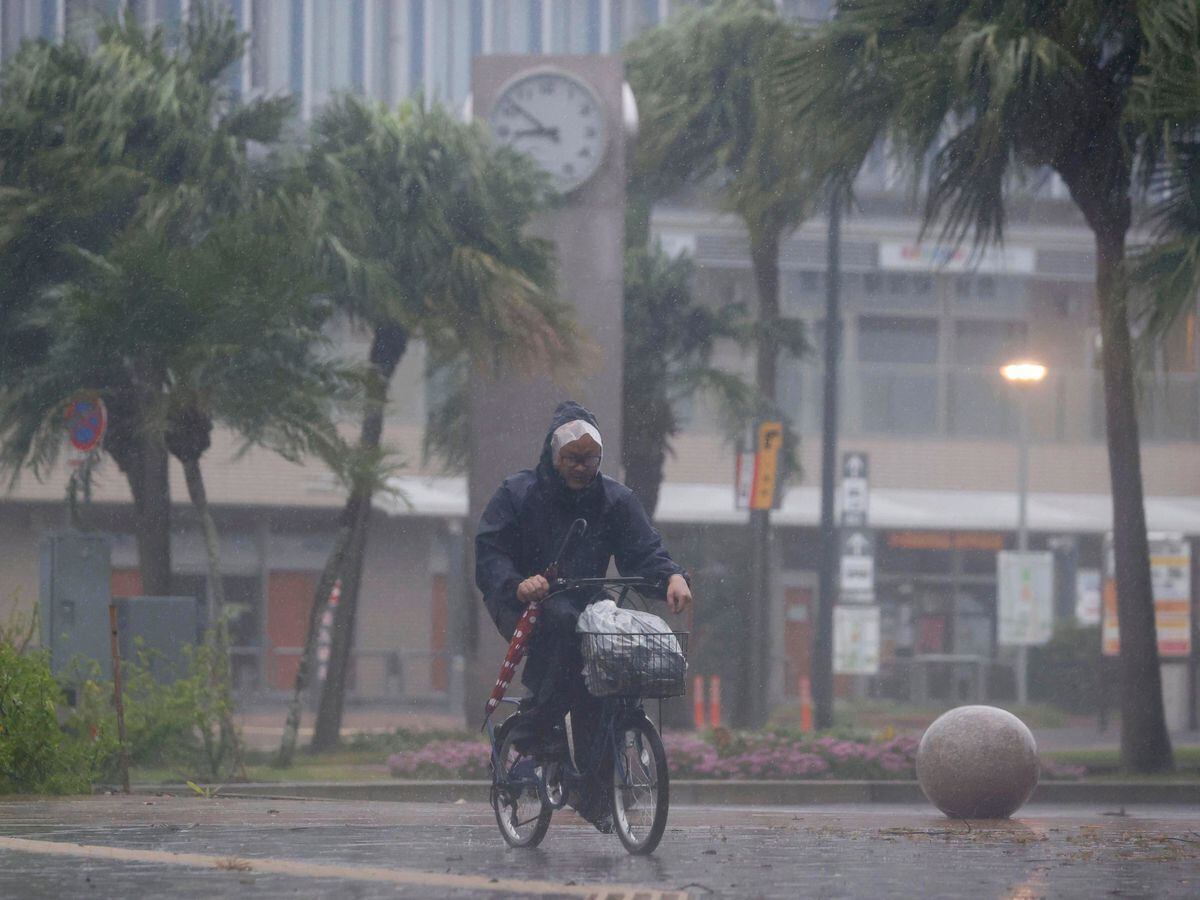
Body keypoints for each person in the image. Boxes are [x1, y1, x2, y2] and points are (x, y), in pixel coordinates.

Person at [476, 400, 692, 831]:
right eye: (571, 459)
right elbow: (489, 553)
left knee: (604, 674)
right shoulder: (516, 495)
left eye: (589, 459)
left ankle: (592, 791)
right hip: (522, 603)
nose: (580, 467)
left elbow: (644, 549)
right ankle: (535, 729)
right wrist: (518, 583)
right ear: (553, 457)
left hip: (587, 603)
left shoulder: (615, 500)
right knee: (559, 625)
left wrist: (671, 576)